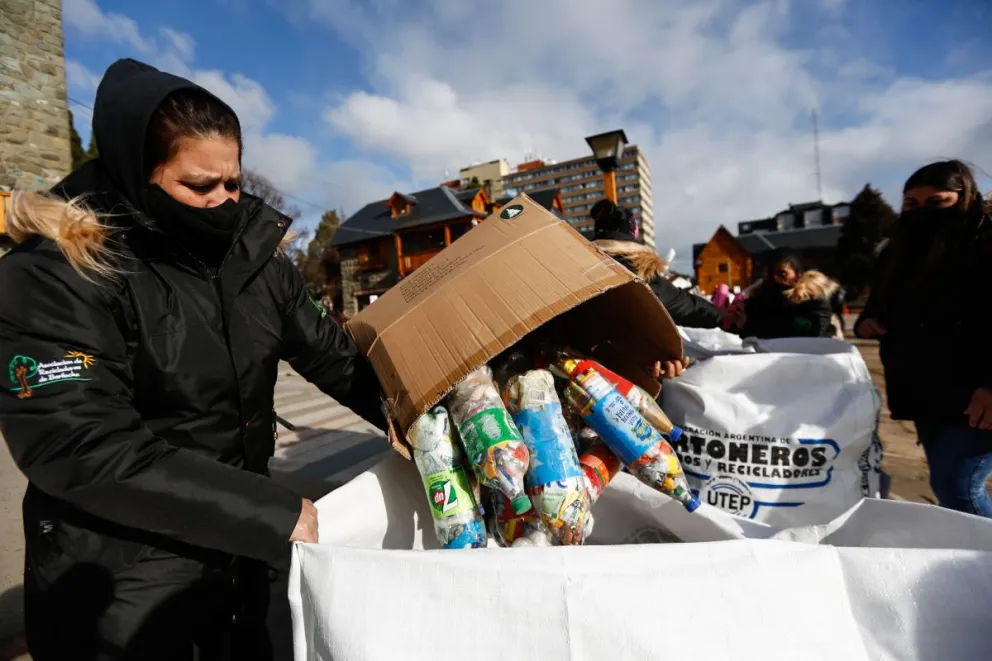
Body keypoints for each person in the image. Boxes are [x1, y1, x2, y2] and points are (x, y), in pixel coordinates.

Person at [0, 59, 386, 660]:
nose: (224, 203)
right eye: (199, 187)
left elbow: (335, 358)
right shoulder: (61, 269)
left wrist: (432, 413)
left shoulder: (253, 258)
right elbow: (80, 444)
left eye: (232, 183)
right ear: (136, 171)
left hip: (238, 567)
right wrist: (266, 511)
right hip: (124, 582)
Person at [856, 160, 992, 517]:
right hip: (922, 386)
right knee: (946, 484)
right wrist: (867, 322)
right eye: (911, 204)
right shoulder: (897, 251)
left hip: (975, 390)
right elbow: (877, 305)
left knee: (959, 485)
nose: (922, 213)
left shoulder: (984, 240)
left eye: (937, 202)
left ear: (965, 197)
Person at [590, 199, 741, 364]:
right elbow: (685, 305)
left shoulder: (580, 264)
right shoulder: (641, 272)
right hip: (626, 368)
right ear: (633, 236)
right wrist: (721, 316)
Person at [737, 252, 838, 339]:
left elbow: (814, 335)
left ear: (798, 275)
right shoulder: (763, 301)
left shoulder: (815, 303)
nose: (775, 278)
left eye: (782, 274)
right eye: (771, 274)